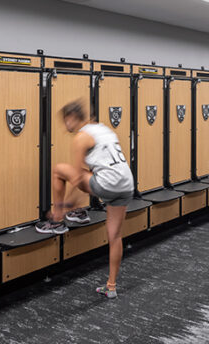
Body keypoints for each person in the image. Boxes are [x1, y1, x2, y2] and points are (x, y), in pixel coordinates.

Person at [35, 101, 134, 299]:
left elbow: (78, 177)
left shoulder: (81, 137)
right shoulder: (103, 129)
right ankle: (111, 286)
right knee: (115, 236)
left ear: (72, 118)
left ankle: (58, 221)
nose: (66, 127)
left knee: (59, 171)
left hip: (107, 184)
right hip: (126, 185)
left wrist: (63, 206)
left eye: (66, 122)